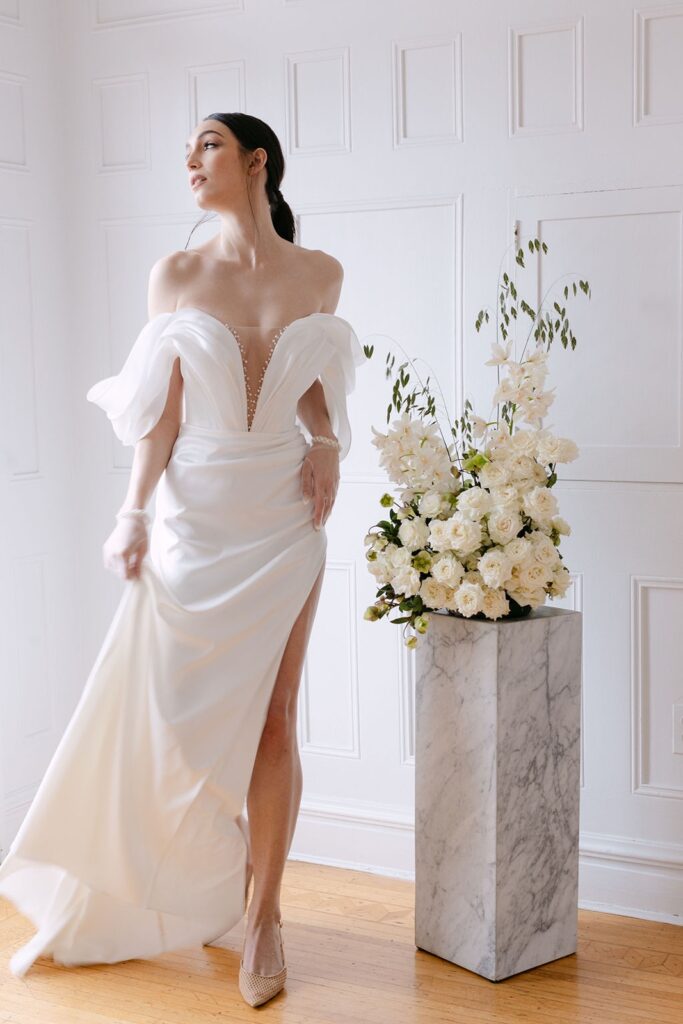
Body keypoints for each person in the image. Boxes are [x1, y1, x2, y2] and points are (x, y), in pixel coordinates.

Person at [0, 112, 365, 1008]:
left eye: (205, 146)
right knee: (166, 716)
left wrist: (326, 446)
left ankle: (267, 914)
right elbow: (160, 413)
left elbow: (319, 394)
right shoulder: (175, 274)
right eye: (184, 154)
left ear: (256, 161)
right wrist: (131, 512)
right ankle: (203, 870)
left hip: (283, 515)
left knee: (276, 714)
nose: (190, 164)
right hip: (192, 515)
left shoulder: (320, 274)